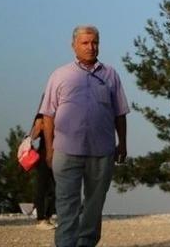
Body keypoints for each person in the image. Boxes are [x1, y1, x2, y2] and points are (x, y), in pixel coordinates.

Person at [39, 25, 129, 247]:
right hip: (66, 151)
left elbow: (119, 113)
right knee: (66, 203)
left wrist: (122, 144)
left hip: (101, 151)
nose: (90, 47)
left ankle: (86, 243)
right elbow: (48, 115)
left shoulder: (110, 74)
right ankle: (65, 243)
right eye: (85, 43)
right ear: (74, 46)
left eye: (94, 42)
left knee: (94, 204)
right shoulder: (60, 75)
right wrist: (49, 150)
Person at [30, 112, 55, 230]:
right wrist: (39, 126)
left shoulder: (59, 115)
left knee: (55, 189)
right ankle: (40, 219)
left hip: (57, 156)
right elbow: (33, 136)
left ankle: (48, 217)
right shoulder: (41, 116)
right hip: (43, 158)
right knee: (41, 188)